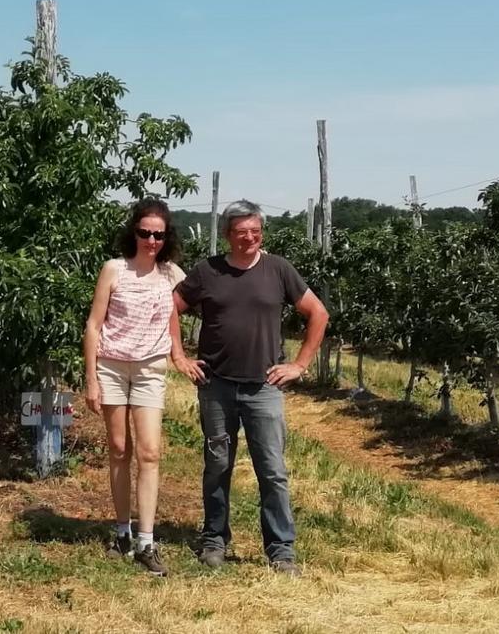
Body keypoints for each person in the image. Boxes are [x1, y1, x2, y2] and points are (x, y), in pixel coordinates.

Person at [172, 199, 329, 577]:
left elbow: (318, 313)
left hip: (264, 389)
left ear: (262, 233)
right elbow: (169, 307)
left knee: (272, 470)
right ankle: (214, 539)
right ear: (228, 235)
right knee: (217, 465)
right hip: (216, 386)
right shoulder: (207, 272)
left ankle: (281, 550)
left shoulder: (279, 270)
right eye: (241, 232)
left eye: (255, 232)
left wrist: (300, 364)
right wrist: (179, 357)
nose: (248, 238)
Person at [83, 197, 196, 577]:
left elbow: (206, 296)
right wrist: (91, 379)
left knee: (149, 452)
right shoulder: (114, 270)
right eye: (145, 233)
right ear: (133, 232)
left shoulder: (172, 275)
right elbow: (94, 326)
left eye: (158, 235)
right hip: (112, 368)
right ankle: (121, 532)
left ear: (167, 238)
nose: (151, 240)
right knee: (119, 450)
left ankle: (146, 540)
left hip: (149, 369)